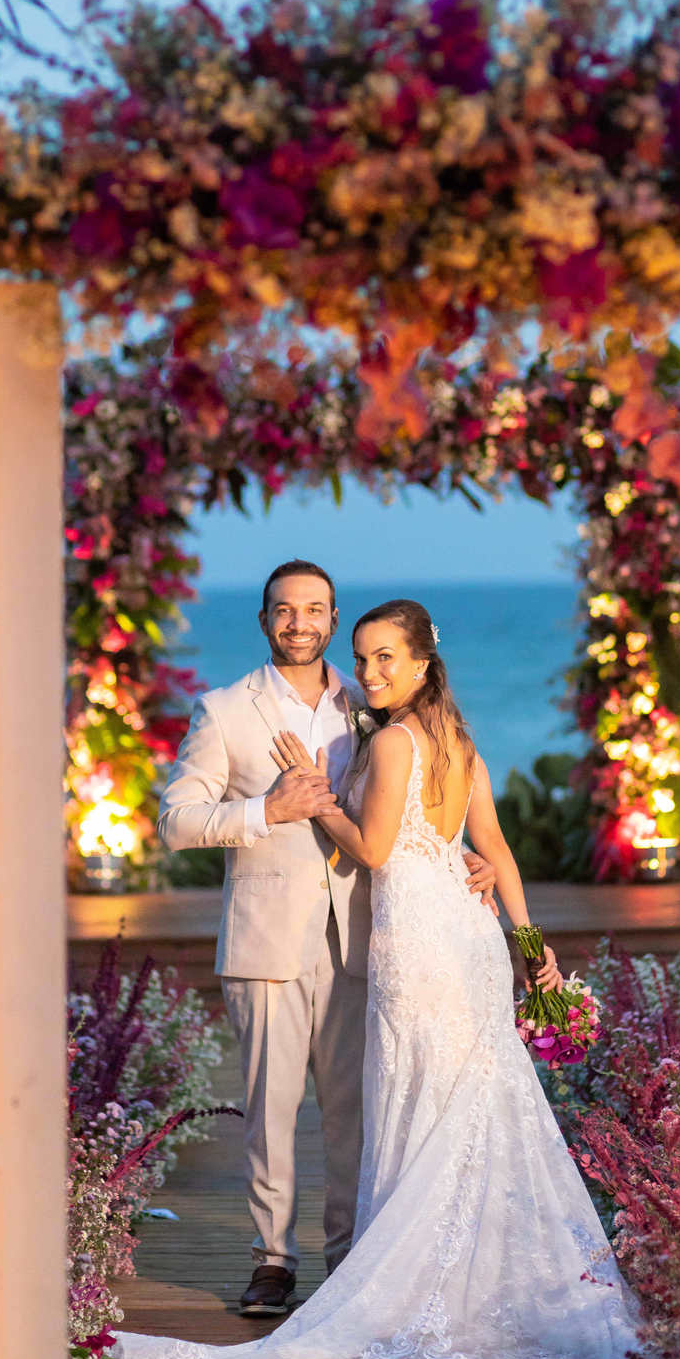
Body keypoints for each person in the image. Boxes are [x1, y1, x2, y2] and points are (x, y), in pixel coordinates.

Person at [117, 597, 640, 1359]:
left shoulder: (393, 740)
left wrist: (321, 799)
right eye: (362, 659)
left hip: (419, 947)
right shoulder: (461, 742)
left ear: (425, 663)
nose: (369, 673)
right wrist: (533, 950)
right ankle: (469, 1275)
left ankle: (416, 1282)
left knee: (419, 1107)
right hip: (469, 940)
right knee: (471, 1105)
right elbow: (494, 852)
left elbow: (375, 847)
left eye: (386, 658)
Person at [155, 564, 499, 1315]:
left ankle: (349, 1259)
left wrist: (454, 854)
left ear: (333, 618)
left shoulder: (370, 704)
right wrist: (265, 811)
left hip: (364, 939)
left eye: (314, 610)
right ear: (265, 619)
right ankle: (274, 1260)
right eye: (285, 610)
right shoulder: (224, 710)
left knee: (354, 1112)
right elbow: (175, 820)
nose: (299, 622)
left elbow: (411, 802)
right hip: (266, 941)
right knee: (271, 1111)